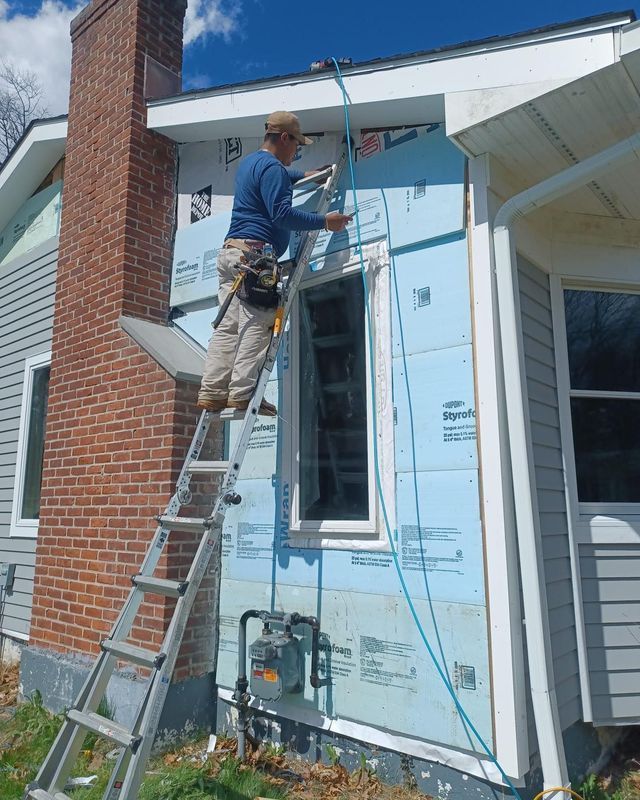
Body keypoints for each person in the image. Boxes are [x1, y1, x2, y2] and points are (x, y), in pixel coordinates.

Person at [196, 111, 352, 417]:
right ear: (284, 138)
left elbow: (282, 177)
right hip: (254, 259)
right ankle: (242, 393)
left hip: (231, 255)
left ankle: (213, 392)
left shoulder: (251, 164)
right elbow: (281, 214)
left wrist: (305, 175)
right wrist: (325, 222)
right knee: (259, 321)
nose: (297, 151)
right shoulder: (274, 170)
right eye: (296, 145)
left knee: (227, 328)